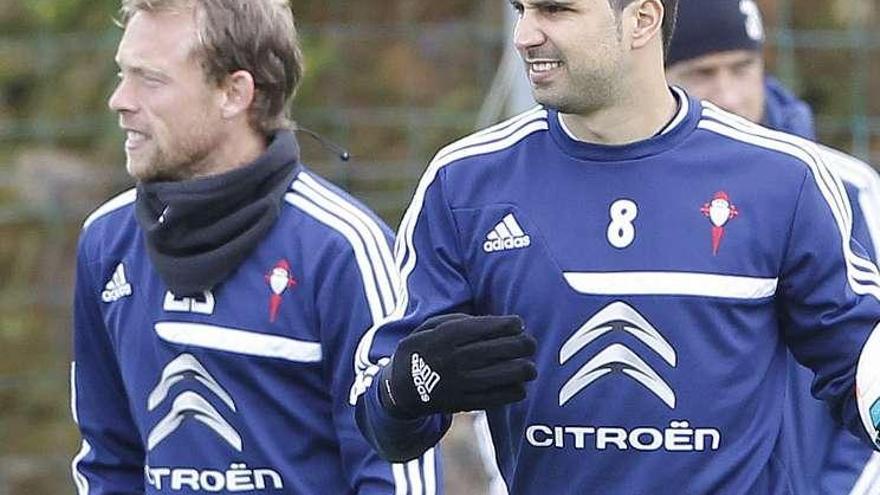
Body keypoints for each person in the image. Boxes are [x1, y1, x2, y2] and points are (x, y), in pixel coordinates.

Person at [351, 0, 880, 493]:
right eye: (523, 9)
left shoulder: (786, 179)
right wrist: (407, 384)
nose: (524, 35)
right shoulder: (463, 184)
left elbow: (861, 376)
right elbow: (383, 425)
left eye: (556, 9)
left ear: (642, 19)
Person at [69, 1, 438, 493]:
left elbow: (396, 472)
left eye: (150, 80)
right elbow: (107, 462)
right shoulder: (105, 243)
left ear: (233, 92)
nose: (120, 99)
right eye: (123, 73)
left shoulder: (342, 250)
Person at [665, 2, 880, 493]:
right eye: (703, 74)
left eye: (743, 68)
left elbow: (871, 375)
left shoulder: (847, 189)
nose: (732, 95)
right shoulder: (625, 197)